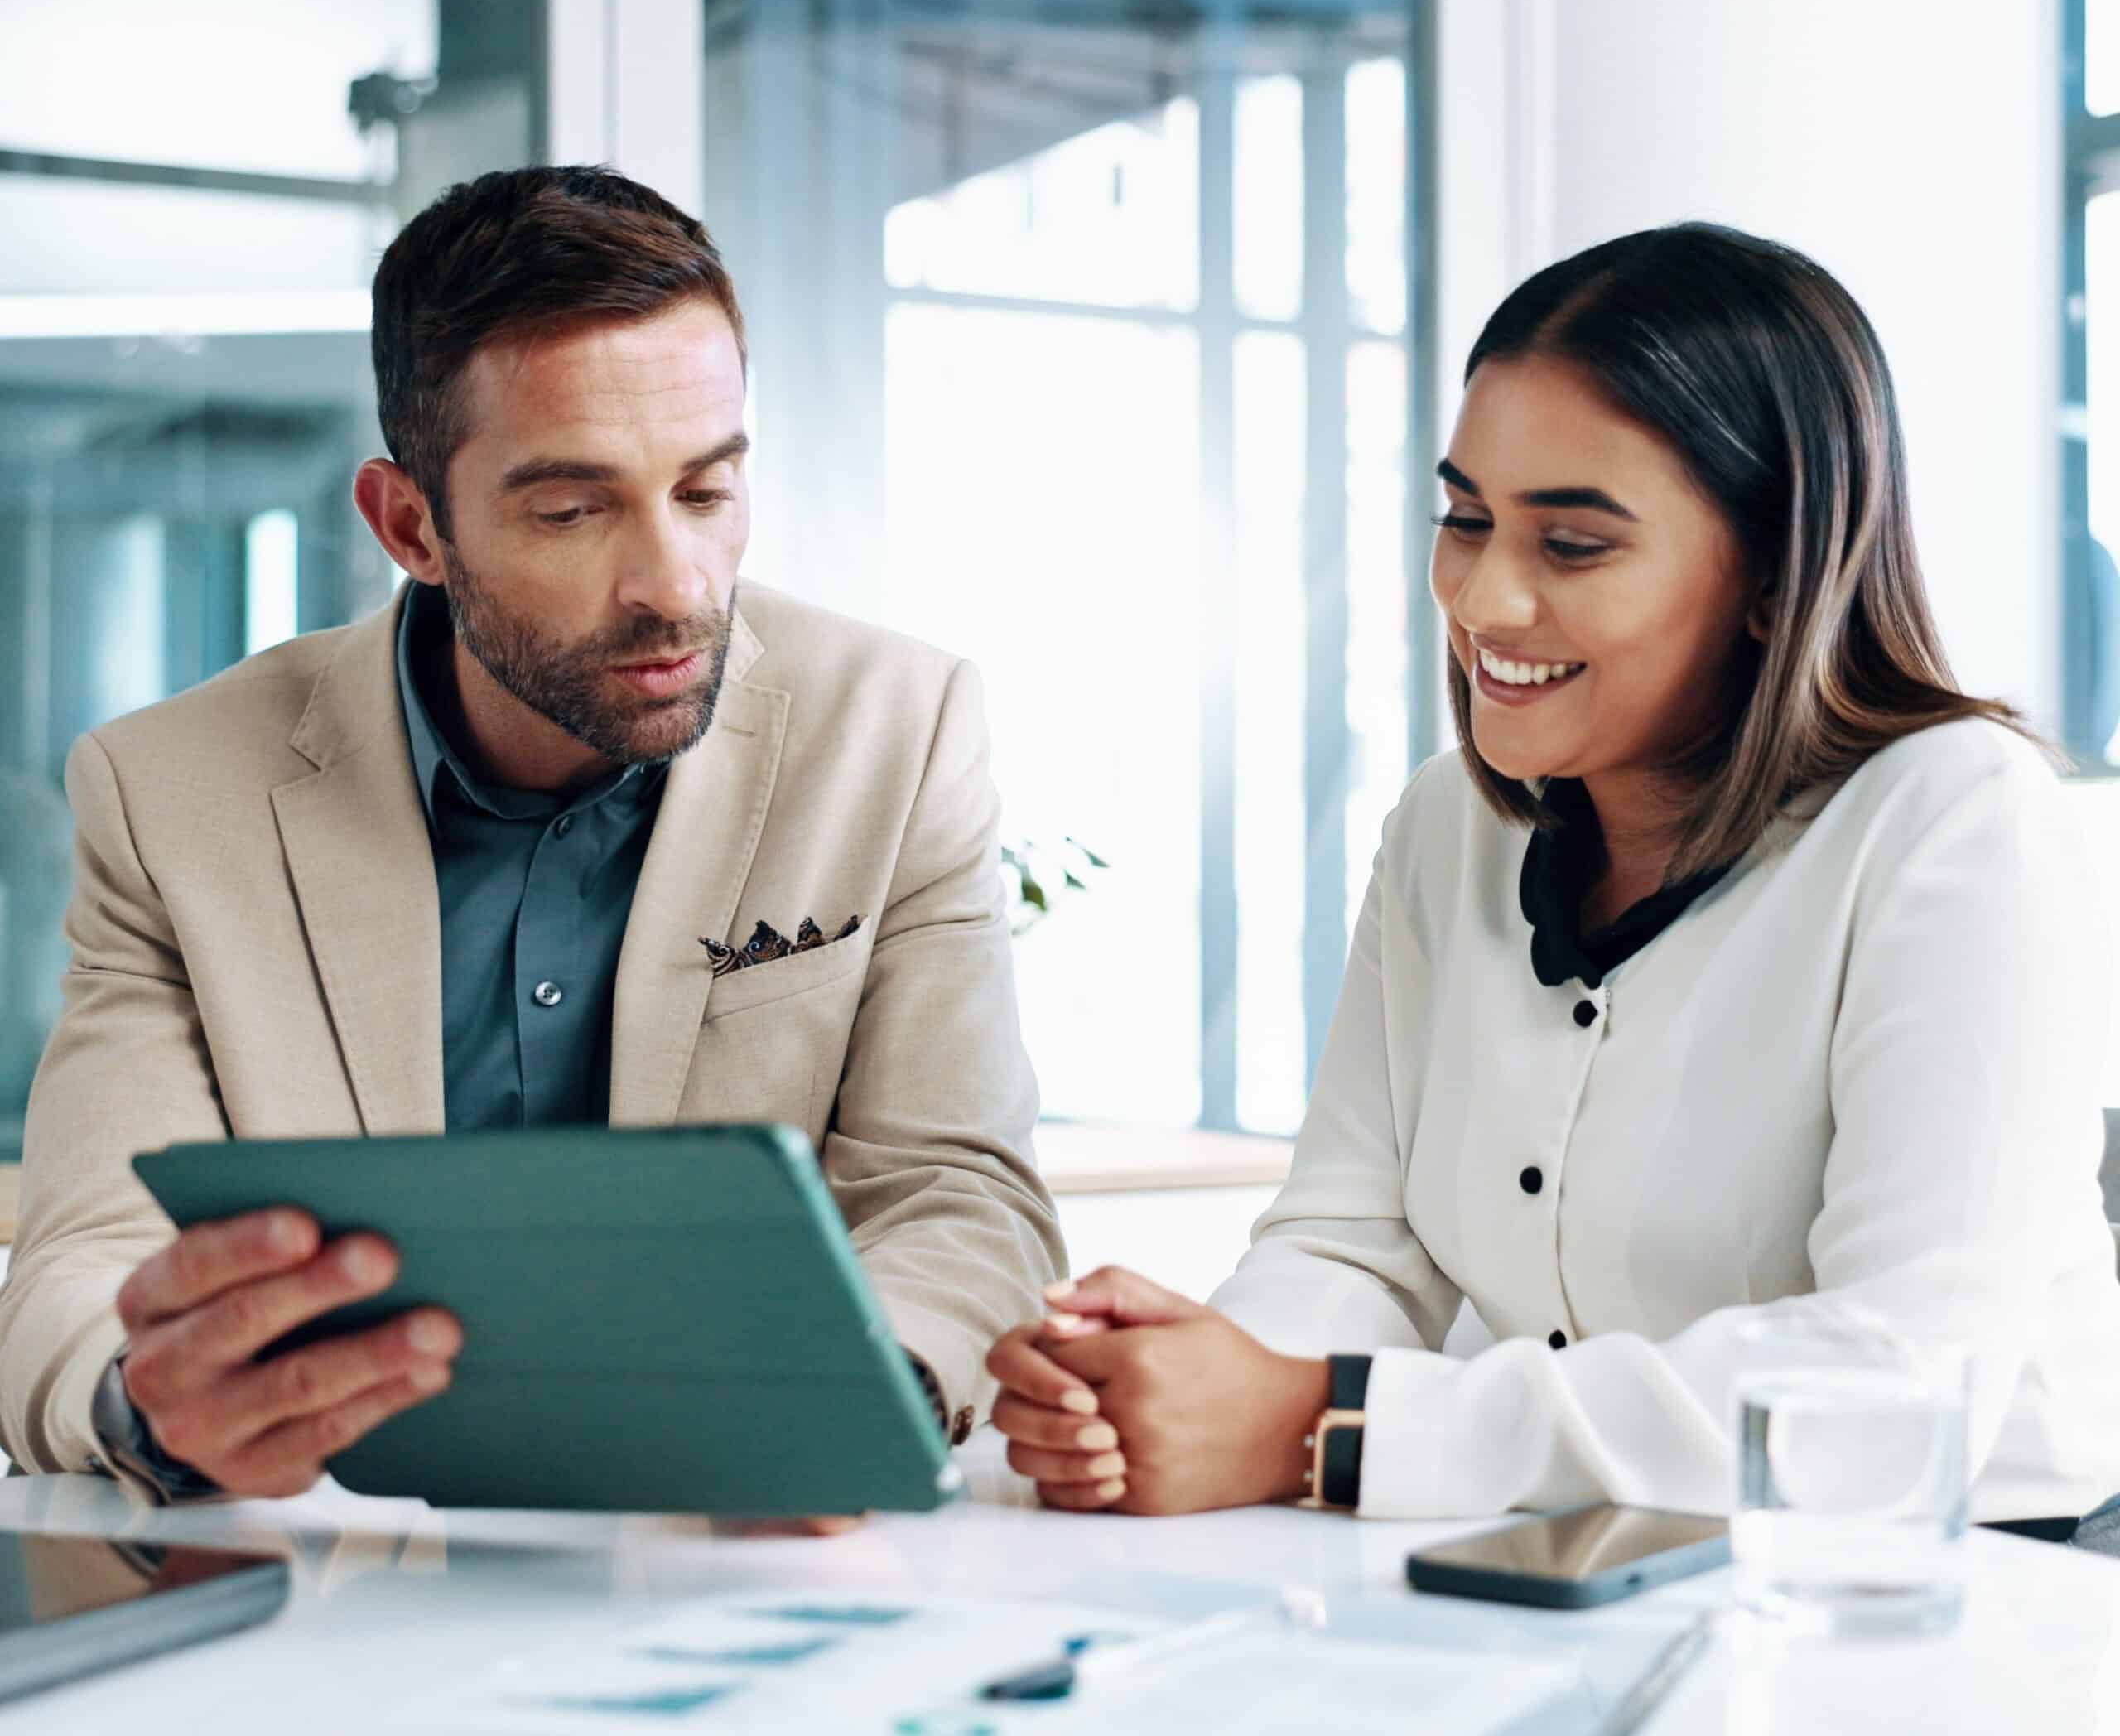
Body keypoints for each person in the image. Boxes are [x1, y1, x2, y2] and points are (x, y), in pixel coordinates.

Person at [985, 223, 2120, 1535]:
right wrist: (1188, 1389)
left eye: (1572, 546)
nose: (1485, 601)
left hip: (1966, 1580)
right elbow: (1354, 1246)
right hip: (1579, 1565)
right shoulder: (1442, 829)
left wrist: (1317, 1423)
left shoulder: (1956, 820)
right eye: (1464, 519)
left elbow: (1891, 1389)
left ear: (1771, 572)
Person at [0, 166, 1063, 1505]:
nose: (676, 587)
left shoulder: (896, 730)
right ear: (410, 526)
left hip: (763, 1556)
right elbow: (80, 1264)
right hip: (349, 1582)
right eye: (572, 510)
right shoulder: (169, 795)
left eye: (707, 490)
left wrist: (864, 1402)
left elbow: (959, 1194)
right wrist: (151, 1401)